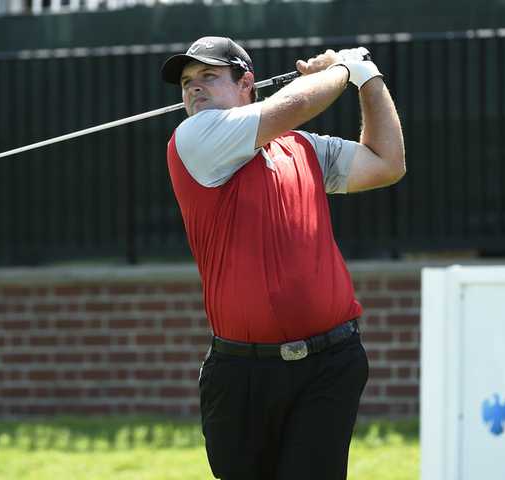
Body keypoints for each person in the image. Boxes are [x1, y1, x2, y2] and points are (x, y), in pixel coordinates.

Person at [160, 36, 405, 480]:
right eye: (187, 82)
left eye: (209, 76)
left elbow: (386, 163)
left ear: (246, 83)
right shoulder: (194, 137)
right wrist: (342, 70)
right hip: (242, 374)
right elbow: (291, 107)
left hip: (330, 363)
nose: (194, 88)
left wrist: (369, 79)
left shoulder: (302, 147)